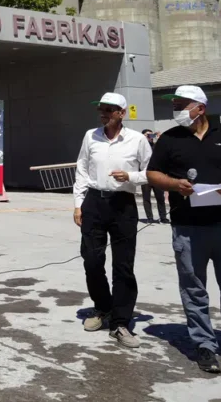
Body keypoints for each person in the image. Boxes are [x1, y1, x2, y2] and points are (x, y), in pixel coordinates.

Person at [146, 85, 221, 375]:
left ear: (200, 108)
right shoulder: (169, 139)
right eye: (174, 104)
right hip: (188, 227)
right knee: (193, 288)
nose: (176, 110)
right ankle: (203, 345)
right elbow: (153, 173)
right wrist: (175, 185)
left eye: (181, 104)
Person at [72, 92, 152, 348]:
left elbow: (151, 172)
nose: (103, 113)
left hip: (123, 204)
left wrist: (130, 177)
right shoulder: (90, 136)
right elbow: (82, 169)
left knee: (123, 266)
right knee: (92, 260)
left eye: (109, 109)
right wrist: (78, 203)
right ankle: (102, 308)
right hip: (94, 201)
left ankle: (120, 322)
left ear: (121, 113)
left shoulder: (137, 140)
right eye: (101, 109)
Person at [140, 129, 169, 224]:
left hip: (157, 175)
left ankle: (163, 217)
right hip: (145, 176)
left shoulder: (156, 146)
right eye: (148, 135)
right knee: (146, 198)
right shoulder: (141, 147)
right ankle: (149, 218)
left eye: (151, 135)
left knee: (160, 197)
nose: (150, 137)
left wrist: (160, 139)